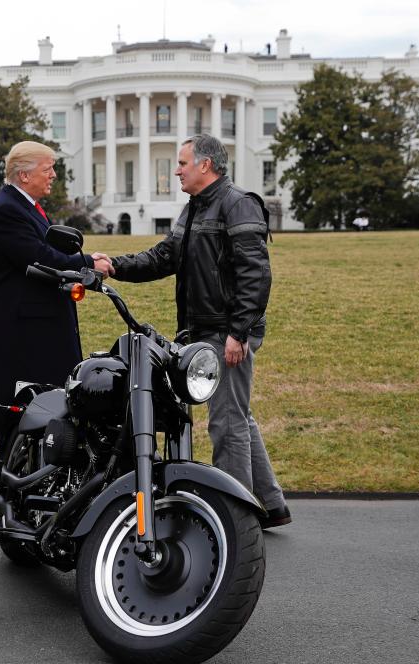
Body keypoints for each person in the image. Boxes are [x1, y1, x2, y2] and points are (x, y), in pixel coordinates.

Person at [109, 134, 291, 529]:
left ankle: (235, 524)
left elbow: (256, 274)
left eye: (182, 163)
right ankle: (273, 505)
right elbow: (165, 257)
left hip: (225, 334)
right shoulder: (194, 209)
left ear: (205, 165)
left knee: (227, 422)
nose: (176, 170)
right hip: (203, 331)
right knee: (237, 415)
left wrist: (238, 333)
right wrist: (116, 266)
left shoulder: (238, 203)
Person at [0, 140, 113, 439]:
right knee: (22, 410)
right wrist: (88, 263)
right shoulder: (8, 209)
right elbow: (40, 258)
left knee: (42, 408)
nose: (54, 175)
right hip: (21, 335)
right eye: (48, 169)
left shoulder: (24, 205)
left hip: (35, 328)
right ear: (24, 175)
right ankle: (12, 479)